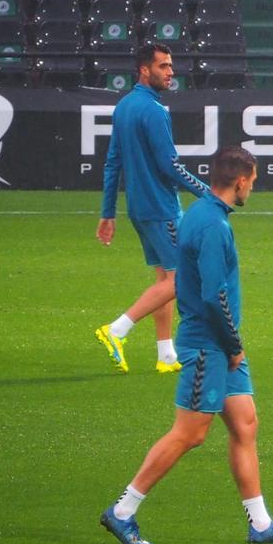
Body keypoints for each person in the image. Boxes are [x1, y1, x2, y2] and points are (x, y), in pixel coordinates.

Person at [100, 146, 273, 544]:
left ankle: (262, 525)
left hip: (218, 344)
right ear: (240, 181)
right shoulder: (214, 226)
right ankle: (123, 511)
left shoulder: (198, 212)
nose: (254, 186)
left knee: (245, 424)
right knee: (190, 434)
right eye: (253, 180)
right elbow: (215, 297)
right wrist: (233, 347)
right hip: (208, 346)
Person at [95, 42, 209, 374]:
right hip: (161, 207)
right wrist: (207, 193)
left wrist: (107, 212)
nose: (171, 72)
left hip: (139, 209)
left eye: (171, 66)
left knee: (165, 277)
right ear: (145, 70)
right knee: (184, 277)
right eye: (163, 66)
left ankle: (166, 354)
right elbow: (170, 165)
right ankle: (117, 329)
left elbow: (112, 162)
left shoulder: (124, 106)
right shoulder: (154, 111)